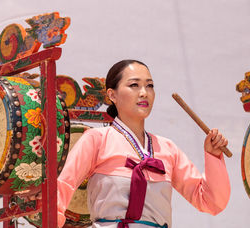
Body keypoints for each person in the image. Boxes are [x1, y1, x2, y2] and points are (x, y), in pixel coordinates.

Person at [57, 60, 231, 228]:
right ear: (112, 95)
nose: (144, 92)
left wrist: (213, 155)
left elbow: (210, 202)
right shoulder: (96, 140)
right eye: (134, 85)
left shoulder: (167, 149)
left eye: (150, 86)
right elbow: (61, 189)